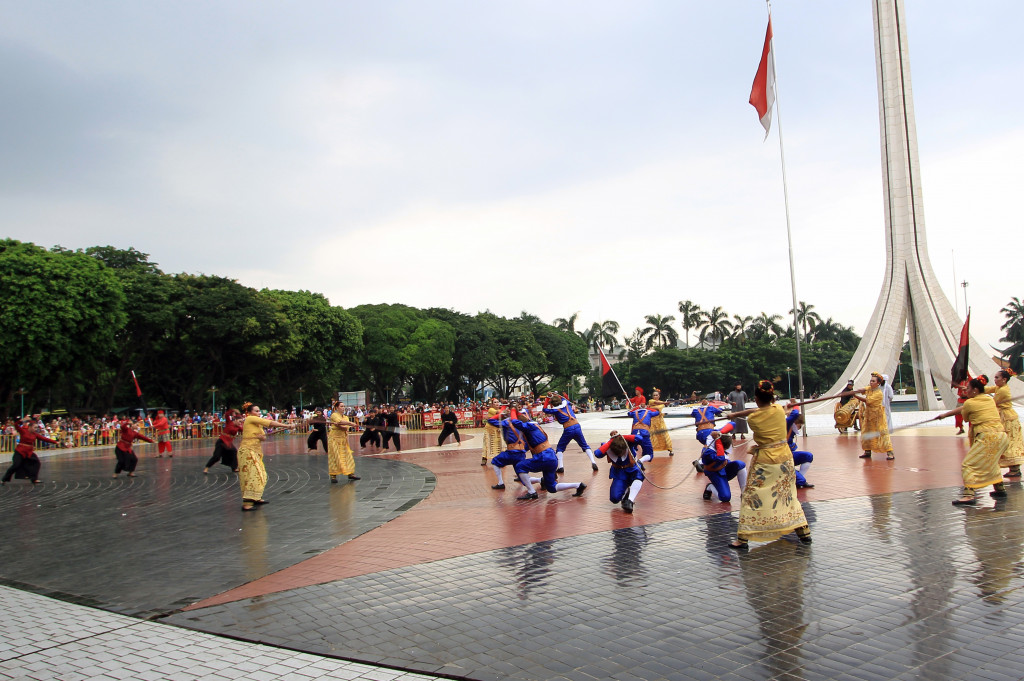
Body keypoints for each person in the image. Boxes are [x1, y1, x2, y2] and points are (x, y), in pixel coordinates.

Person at [727, 380, 811, 548]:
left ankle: (743, 539)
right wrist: (736, 414)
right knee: (788, 495)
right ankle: (803, 532)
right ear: (772, 398)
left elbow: (757, 411)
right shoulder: (778, 409)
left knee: (751, 496)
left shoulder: (753, 419)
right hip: (784, 458)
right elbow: (763, 408)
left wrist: (735, 414)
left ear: (756, 398)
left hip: (766, 460)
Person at [934, 376, 1008, 505]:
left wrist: (944, 415)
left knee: (968, 465)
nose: (965, 390)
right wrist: (944, 415)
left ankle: (968, 495)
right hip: (1001, 435)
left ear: (975, 390)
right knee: (992, 461)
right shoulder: (989, 400)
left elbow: (966, 417)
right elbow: (965, 409)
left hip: (987, 436)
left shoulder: (969, 403)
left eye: (968, 388)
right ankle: (999, 488)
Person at [509, 417, 587, 501]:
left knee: (520, 466)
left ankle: (532, 492)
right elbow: (526, 447)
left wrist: (512, 413)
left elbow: (515, 422)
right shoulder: (536, 428)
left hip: (543, 457)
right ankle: (578, 485)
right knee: (551, 488)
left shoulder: (529, 427)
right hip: (551, 457)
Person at [238, 402, 297, 511]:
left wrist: (261, 437)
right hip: (247, 451)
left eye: (259, 411)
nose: (258, 413)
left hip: (256, 451)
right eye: (256, 411)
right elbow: (269, 423)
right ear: (249, 412)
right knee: (252, 475)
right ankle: (247, 503)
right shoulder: (250, 419)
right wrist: (287, 426)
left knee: (262, 475)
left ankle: (256, 497)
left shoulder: (257, 424)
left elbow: (263, 437)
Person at [542, 392, 599, 472]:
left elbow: (544, 409)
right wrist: (556, 395)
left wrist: (548, 397)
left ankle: (560, 467)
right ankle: (593, 461)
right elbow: (564, 398)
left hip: (568, 428)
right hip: (577, 426)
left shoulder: (555, 410)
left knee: (560, 448)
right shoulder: (567, 404)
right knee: (584, 445)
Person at [594, 431, 645, 513]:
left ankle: (630, 500)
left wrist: (622, 436)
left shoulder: (628, 443)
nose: (620, 454)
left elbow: (640, 438)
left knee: (639, 476)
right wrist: (611, 441)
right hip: (619, 473)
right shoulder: (608, 446)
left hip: (632, 469)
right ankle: (626, 492)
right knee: (614, 498)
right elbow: (597, 454)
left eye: (622, 452)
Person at [485, 413, 540, 491]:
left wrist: (500, 414)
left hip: (511, 452)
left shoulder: (507, 422)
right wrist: (523, 449)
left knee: (495, 461)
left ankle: (500, 483)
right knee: (523, 477)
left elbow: (491, 420)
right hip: (521, 453)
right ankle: (540, 480)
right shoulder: (522, 424)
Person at [986, 370, 1023, 479]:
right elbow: (989, 389)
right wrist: (976, 389)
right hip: (1005, 417)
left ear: (1004, 379)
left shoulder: (1003, 391)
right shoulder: (999, 388)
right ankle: (1014, 469)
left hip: (1008, 419)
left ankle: (1015, 469)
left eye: (997, 377)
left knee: (1010, 443)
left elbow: (993, 403)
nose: (995, 379)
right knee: (1009, 443)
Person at [2, 416, 57, 485]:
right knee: (16, 465)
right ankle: (4, 479)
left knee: (36, 463)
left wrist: (55, 442)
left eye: (36, 428)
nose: (36, 429)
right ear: (30, 427)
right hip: (20, 451)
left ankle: (34, 479)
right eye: (35, 427)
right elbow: (16, 425)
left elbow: (44, 439)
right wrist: (22, 420)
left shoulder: (35, 434)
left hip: (28, 452)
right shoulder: (23, 431)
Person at [854, 372, 895, 460]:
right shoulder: (870, 388)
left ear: (878, 383)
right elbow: (864, 389)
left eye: (873, 381)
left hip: (878, 416)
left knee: (882, 433)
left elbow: (867, 400)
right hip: (869, 415)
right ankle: (867, 451)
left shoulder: (879, 393)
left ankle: (890, 452)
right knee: (866, 432)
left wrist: (855, 396)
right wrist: (855, 391)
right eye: (871, 380)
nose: (871, 382)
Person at [700, 430, 747, 503]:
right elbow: (720, 458)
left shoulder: (719, 441)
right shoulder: (708, 452)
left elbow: (731, 424)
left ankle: (745, 493)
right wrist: (718, 441)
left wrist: (718, 434)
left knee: (740, 464)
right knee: (725, 497)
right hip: (715, 473)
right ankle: (710, 487)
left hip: (725, 468)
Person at [328, 401, 360, 483]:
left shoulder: (345, 417)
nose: (343, 408)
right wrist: (350, 423)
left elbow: (344, 427)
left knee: (347, 456)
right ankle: (333, 476)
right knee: (335, 457)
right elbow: (340, 422)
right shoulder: (334, 415)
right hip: (334, 439)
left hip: (343, 439)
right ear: (337, 407)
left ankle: (350, 473)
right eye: (341, 406)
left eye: (344, 406)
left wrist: (345, 424)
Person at [204, 408, 242, 473]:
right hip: (221, 441)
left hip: (228, 443)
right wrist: (233, 410)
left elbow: (245, 430)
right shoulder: (229, 422)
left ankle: (234, 468)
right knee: (217, 457)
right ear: (235, 420)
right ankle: (207, 467)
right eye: (239, 421)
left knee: (234, 452)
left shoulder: (238, 427)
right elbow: (227, 414)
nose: (240, 423)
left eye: (241, 422)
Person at [786, 406, 814, 488]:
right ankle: (799, 480)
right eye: (799, 425)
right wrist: (795, 406)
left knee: (808, 456)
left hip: (789, 454)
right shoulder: (787, 426)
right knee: (801, 481)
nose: (800, 427)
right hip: (782, 457)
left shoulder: (791, 430)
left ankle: (799, 478)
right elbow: (794, 414)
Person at [646, 388, 674, 456]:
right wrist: (664, 403)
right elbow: (655, 404)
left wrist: (650, 407)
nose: (655, 396)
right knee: (652, 436)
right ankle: (649, 450)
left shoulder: (662, 404)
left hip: (660, 422)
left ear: (659, 396)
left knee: (664, 435)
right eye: (654, 395)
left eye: (656, 395)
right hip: (652, 422)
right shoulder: (651, 401)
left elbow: (659, 408)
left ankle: (670, 449)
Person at [481, 400, 503, 467]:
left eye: (497, 402)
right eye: (495, 402)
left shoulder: (500, 410)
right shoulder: (491, 409)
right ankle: (484, 458)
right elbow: (499, 413)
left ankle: (499, 459)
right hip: (489, 430)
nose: (497, 403)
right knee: (487, 444)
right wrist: (505, 408)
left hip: (497, 429)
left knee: (498, 445)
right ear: (492, 404)